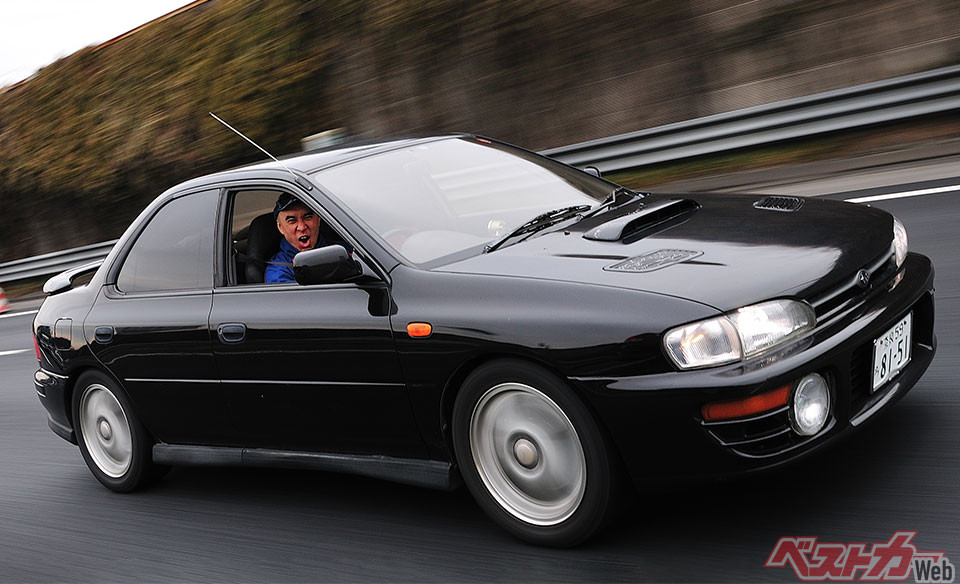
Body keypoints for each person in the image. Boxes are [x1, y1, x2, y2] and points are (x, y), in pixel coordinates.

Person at [264, 193, 328, 283]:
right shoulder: (279, 271)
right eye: (292, 221)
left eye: (308, 217)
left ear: (318, 220)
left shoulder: (345, 251)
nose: (302, 227)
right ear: (280, 227)